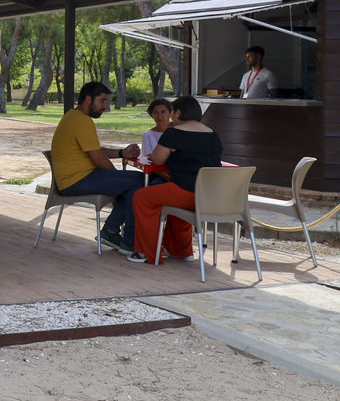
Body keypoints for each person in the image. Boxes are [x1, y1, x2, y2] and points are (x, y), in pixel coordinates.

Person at [49, 82, 143, 255]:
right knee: (139, 182)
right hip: (76, 181)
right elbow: (98, 159)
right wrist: (118, 179)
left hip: (76, 178)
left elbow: (94, 150)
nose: (105, 107)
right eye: (103, 101)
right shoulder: (82, 121)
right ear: (88, 98)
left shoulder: (73, 116)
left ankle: (112, 231)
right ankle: (127, 240)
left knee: (133, 183)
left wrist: (122, 153)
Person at [128, 96, 224, 264]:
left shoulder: (174, 133)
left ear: (178, 112)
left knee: (142, 197)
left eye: (172, 112)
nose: (171, 117)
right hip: (210, 196)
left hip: (186, 191)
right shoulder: (213, 134)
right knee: (173, 200)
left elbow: (157, 159)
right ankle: (181, 250)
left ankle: (145, 252)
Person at [139, 98, 172, 166]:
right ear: (152, 115)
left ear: (170, 114)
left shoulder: (178, 133)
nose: (159, 116)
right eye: (155, 112)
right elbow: (148, 158)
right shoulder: (147, 135)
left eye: (163, 112)